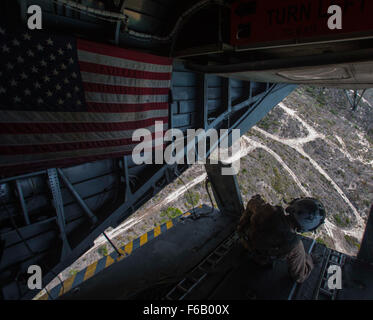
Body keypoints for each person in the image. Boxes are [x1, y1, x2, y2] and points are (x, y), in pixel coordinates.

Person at [237, 194, 326, 284]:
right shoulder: (295, 246)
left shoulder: (267, 210)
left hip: (243, 242)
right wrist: (309, 259)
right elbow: (299, 276)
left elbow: (253, 202)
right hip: (258, 260)